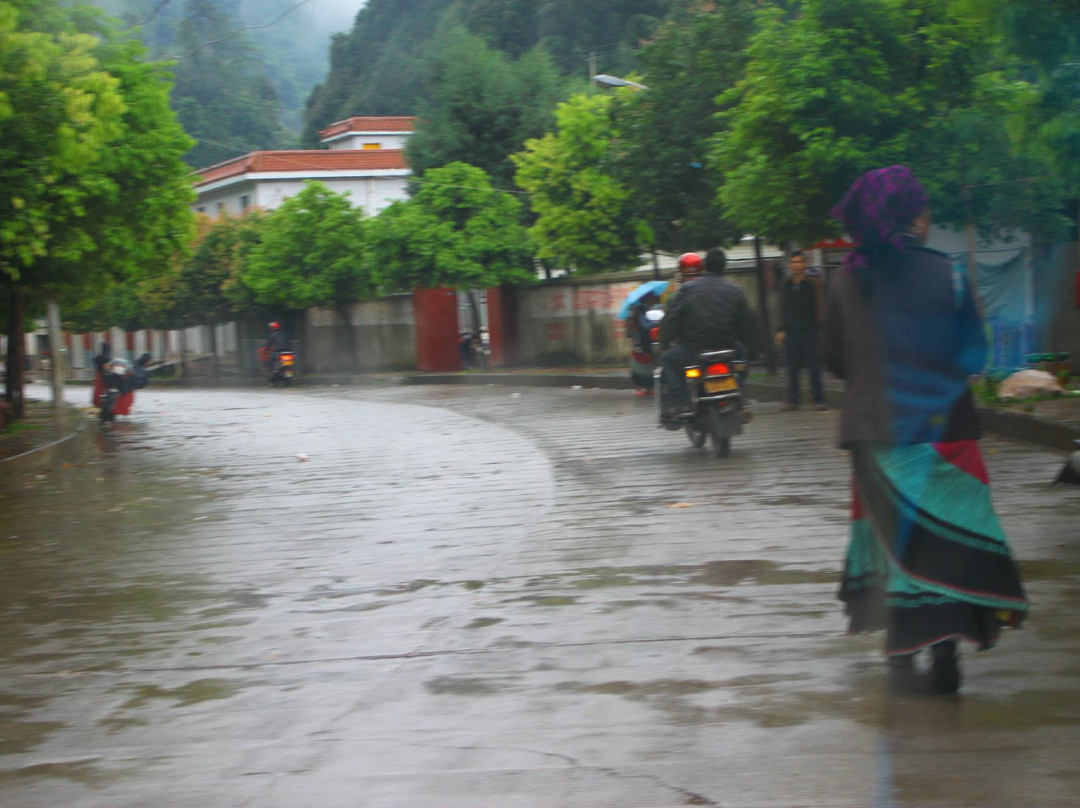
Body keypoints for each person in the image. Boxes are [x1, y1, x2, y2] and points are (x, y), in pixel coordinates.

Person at [825, 165, 1027, 695]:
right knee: (952, 540)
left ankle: (903, 642)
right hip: (947, 432)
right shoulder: (949, 273)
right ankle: (946, 646)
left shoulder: (848, 278)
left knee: (895, 541)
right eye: (926, 207)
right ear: (913, 216)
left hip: (876, 436)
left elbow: (835, 361)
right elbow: (976, 355)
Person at [658, 249, 755, 417]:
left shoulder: (684, 291)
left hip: (694, 350)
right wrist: (752, 347)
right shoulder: (734, 289)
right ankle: (741, 394)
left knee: (666, 360)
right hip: (728, 347)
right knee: (742, 358)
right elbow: (748, 322)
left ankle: (680, 401)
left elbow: (670, 321)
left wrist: (664, 343)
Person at [776, 250, 826, 410]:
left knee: (814, 366)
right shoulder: (786, 284)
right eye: (793, 262)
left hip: (809, 328)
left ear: (804, 264)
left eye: (799, 262)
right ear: (790, 265)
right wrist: (781, 329)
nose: (796, 265)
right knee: (791, 367)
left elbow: (819, 305)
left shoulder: (812, 283)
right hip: (791, 330)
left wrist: (820, 325)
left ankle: (818, 399)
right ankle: (793, 399)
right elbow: (782, 307)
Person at [625, 290, 660, 394]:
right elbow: (645, 325)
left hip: (647, 340)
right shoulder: (640, 310)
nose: (654, 300)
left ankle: (648, 388)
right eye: (652, 298)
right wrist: (656, 324)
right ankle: (644, 388)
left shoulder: (648, 309)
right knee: (642, 365)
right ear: (648, 299)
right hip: (641, 341)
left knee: (648, 363)